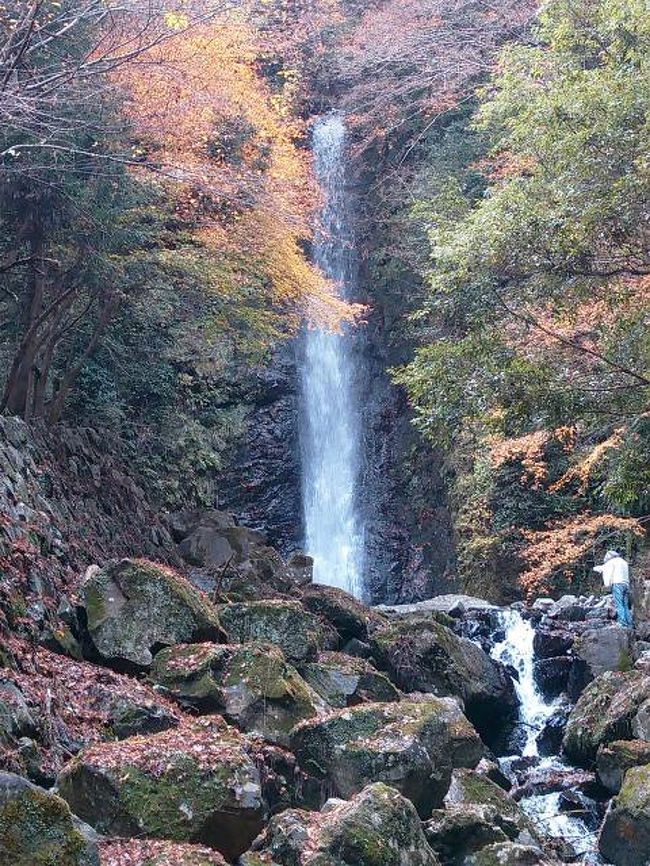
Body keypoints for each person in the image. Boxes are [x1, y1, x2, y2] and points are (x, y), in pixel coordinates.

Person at [594, 550, 633, 627]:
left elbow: (607, 572)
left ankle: (622, 623)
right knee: (625, 604)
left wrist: (607, 584)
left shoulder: (612, 562)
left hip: (617, 584)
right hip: (625, 584)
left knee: (619, 604)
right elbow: (604, 568)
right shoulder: (623, 562)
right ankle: (630, 624)